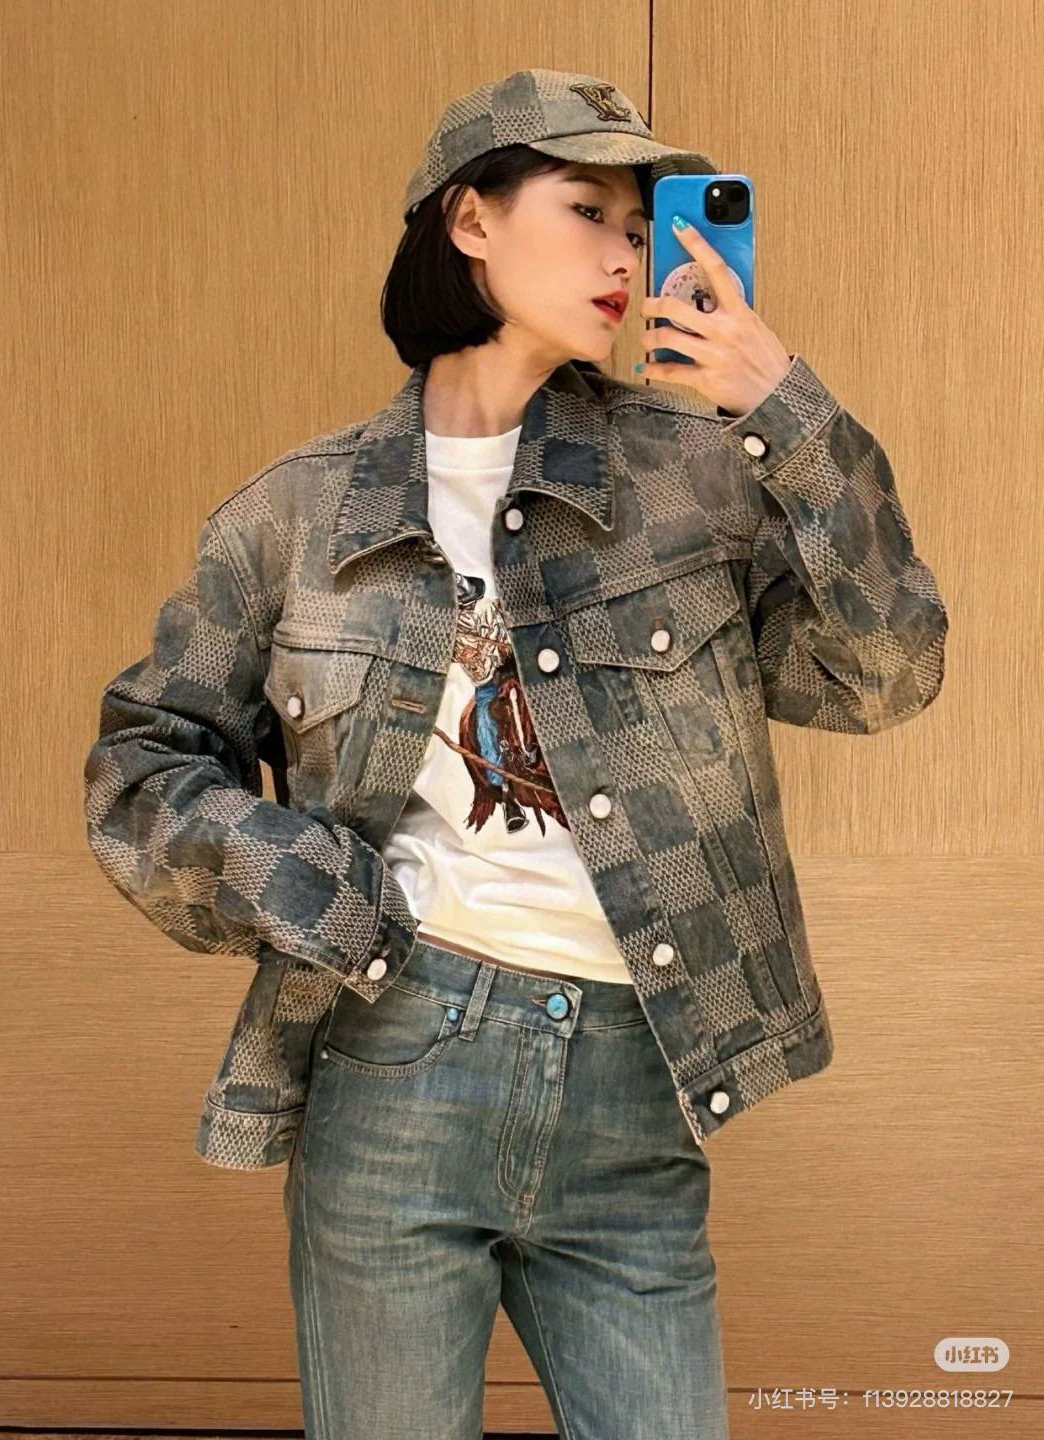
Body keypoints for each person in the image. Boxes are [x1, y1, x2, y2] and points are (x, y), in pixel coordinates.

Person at [83, 67, 948, 1440]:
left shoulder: (698, 475)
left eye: (640, 226)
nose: (625, 256)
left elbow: (890, 669)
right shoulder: (295, 517)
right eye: (587, 211)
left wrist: (785, 410)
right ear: (471, 219)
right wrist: (302, 880)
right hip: (398, 1058)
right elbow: (144, 764)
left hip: (636, 1076)